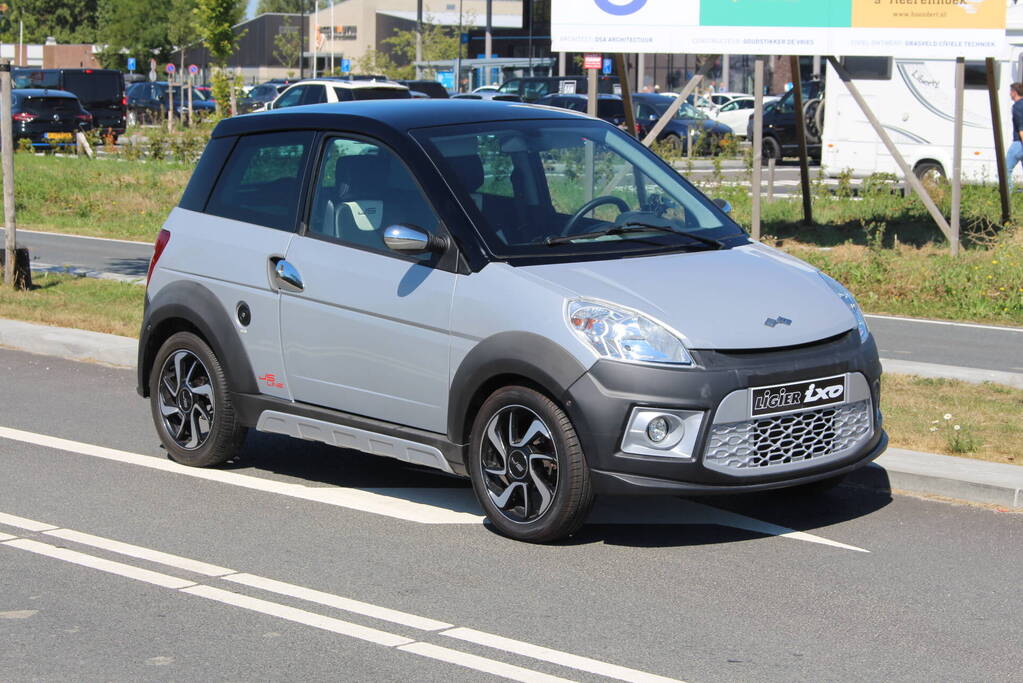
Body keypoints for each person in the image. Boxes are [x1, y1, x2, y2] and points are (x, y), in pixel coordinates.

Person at [1006, 83, 1023, 182]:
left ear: (1014, 92)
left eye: (1010, 91)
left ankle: (1008, 191)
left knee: (1005, 170)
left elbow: (1021, 127)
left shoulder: (1017, 106)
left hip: (1019, 143)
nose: (1009, 94)